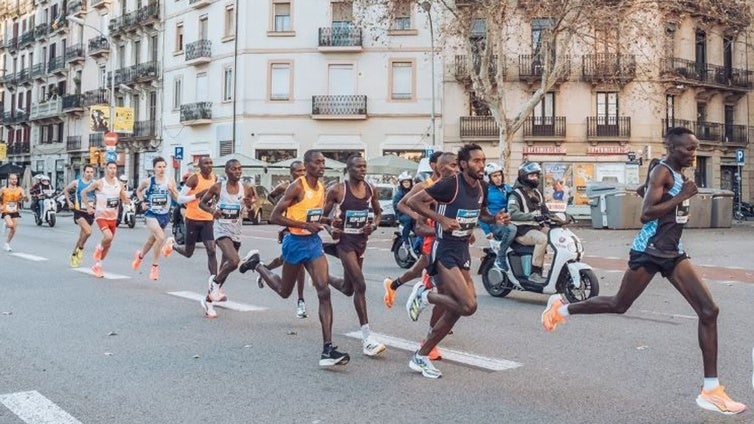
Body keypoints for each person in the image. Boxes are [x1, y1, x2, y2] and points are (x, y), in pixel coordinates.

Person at [541, 127, 747, 416]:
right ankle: (561, 308)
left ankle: (710, 391)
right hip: (649, 250)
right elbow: (647, 213)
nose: (694, 153)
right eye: (688, 148)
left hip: (672, 251)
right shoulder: (663, 171)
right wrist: (682, 196)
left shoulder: (670, 173)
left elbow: (646, 195)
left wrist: (657, 191)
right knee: (619, 304)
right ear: (672, 147)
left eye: (696, 148)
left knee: (709, 311)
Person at [404, 143, 511, 378]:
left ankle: (421, 356)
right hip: (445, 251)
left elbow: (480, 213)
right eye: (476, 161)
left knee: (459, 309)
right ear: (463, 164)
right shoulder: (450, 184)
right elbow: (414, 202)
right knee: (468, 306)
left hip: (463, 251)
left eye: (483, 161)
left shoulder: (482, 186)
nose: (481, 165)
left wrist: (495, 219)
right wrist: (440, 219)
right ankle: (425, 295)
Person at [238, 150, 350, 367]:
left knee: (324, 291)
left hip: (313, 243)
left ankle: (327, 349)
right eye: (317, 163)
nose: (321, 166)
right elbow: (275, 216)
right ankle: (257, 265)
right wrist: (303, 226)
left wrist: (328, 224)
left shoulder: (321, 188)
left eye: (323, 163)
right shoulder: (297, 186)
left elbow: (314, 216)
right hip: (295, 243)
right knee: (284, 291)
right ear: (307, 166)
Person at [323, 154, 386, 357]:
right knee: (360, 284)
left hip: (361, 242)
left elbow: (378, 213)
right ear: (348, 169)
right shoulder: (338, 190)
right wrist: (330, 229)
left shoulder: (370, 189)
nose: (362, 170)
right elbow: (321, 218)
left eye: (364, 166)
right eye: (358, 167)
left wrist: (373, 226)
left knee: (348, 288)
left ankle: (321, 279)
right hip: (344, 243)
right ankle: (367, 338)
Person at [383, 150, 448, 308]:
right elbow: (401, 204)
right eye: (445, 164)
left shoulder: (449, 185)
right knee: (431, 273)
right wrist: (418, 215)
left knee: (420, 271)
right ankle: (423, 297)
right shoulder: (423, 186)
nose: (450, 168)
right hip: (430, 235)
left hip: (445, 235)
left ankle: (393, 285)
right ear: (434, 166)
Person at [198, 159, 255, 318]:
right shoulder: (218, 187)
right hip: (221, 230)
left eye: (239, 168)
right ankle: (214, 285)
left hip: (236, 232)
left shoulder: (247, 189)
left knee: (226, 268)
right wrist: (212, 211)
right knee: (234, 261)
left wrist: (250, 206)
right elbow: (201, 204)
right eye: (234, 169)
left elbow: (251, 214)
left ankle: (208, 300)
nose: (237, 171)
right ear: (227, 171)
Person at [258, 160, 309, 318]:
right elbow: (271, 196)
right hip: (288, 228)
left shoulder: (309, 187)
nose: (301, 174)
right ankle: (301, 301)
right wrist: (282, 209)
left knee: (284, 259)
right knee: (299, 263)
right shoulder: (285, 187)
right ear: (291, 173)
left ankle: (264, 269)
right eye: (298, 171)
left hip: (304, 227)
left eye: (303, 171)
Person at [169, 157, 218, 278]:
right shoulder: (194, 179)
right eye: (206, 163)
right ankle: (172, 246)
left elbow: (215, 196)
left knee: (211, 250)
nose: (209, 165)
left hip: (207, 219)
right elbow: (180, 199)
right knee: (188, 252)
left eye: (210, 163)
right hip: (193, 219)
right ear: (200, 166)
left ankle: (214, 282)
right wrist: (197, 195)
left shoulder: (214, 178)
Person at [80, 161, 131, 278]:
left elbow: (123, 198)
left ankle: (98, 265)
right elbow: (83, 192)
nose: (113, 170)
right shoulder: (99, 183)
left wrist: (128, 201)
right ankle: (99, 248)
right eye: (110, 168)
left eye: (114, 168)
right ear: (106, 169)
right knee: (108, 237)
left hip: (113, 217)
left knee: (109, 243)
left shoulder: (119, 183)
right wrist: (88, 207)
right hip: (101, 215)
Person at [132, 157, 179, 280]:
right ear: (154, 168)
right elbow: (138, 190)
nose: (162, 169)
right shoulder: (148, 181)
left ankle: (140, 256)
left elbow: (176, 198)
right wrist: (142, 201)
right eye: (159, 167)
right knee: (161, 237)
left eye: (164, 166)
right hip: (151, 214)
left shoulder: (170, 181)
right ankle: (155, 267)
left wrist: (172, 190)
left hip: (165, 215)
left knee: (152, 241)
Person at [507, 161, 550, 284]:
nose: (535, 178)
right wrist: (531, 216)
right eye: (531, 176)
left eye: (536, 176)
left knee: (556, 234)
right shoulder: (516, 194)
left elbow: (544, 210)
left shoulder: (537, 193)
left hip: (536, 227)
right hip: (522, 231)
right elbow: (512, 213)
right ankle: (534, 272)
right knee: (542, 239)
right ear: (524, 177)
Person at [480, 162, 517, 271]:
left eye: (499, 175)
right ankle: (500, 258)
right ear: (489, 177)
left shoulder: (506, 188)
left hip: (507, 220)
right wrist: (487, 231)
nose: (498, 178)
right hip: (494, 223)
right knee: (512, 230)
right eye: (494, 176)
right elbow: (481, 212)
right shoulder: (485, 191)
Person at [64, 164, 96, 267]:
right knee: (88, 232)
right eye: (87, 172)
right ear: (83, 172)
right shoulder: (77, 182)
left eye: (91, 172)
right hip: (79, 212)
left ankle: (74, 254)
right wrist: (69, 202)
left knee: (82, 236)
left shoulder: (95, 183)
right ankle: (81, 250)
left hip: (90, 213)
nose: (89, 174)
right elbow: (66, 190)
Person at [0, 173, 28, 252]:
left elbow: (26, 199)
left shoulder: (20, 189)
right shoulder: (3, 189)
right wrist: (0, 206)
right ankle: (6, 224)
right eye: (12, 179)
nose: (14, 180)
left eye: (15, 179)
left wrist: (25, 197)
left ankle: (7, 244)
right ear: (9, 180)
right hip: (5, 209)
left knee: (13, 229)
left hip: (15, 210)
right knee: (10, 225)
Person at [393, 171, 414, 247]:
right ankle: (405, 240)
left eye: (408, 182)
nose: (406, 183)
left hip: (413, 213)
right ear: (401, 183)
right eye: (404, 182)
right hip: (403, 215)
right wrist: (405, 208)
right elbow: (396, 205)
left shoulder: (413, 191)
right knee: (409, 219)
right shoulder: (399, 193)